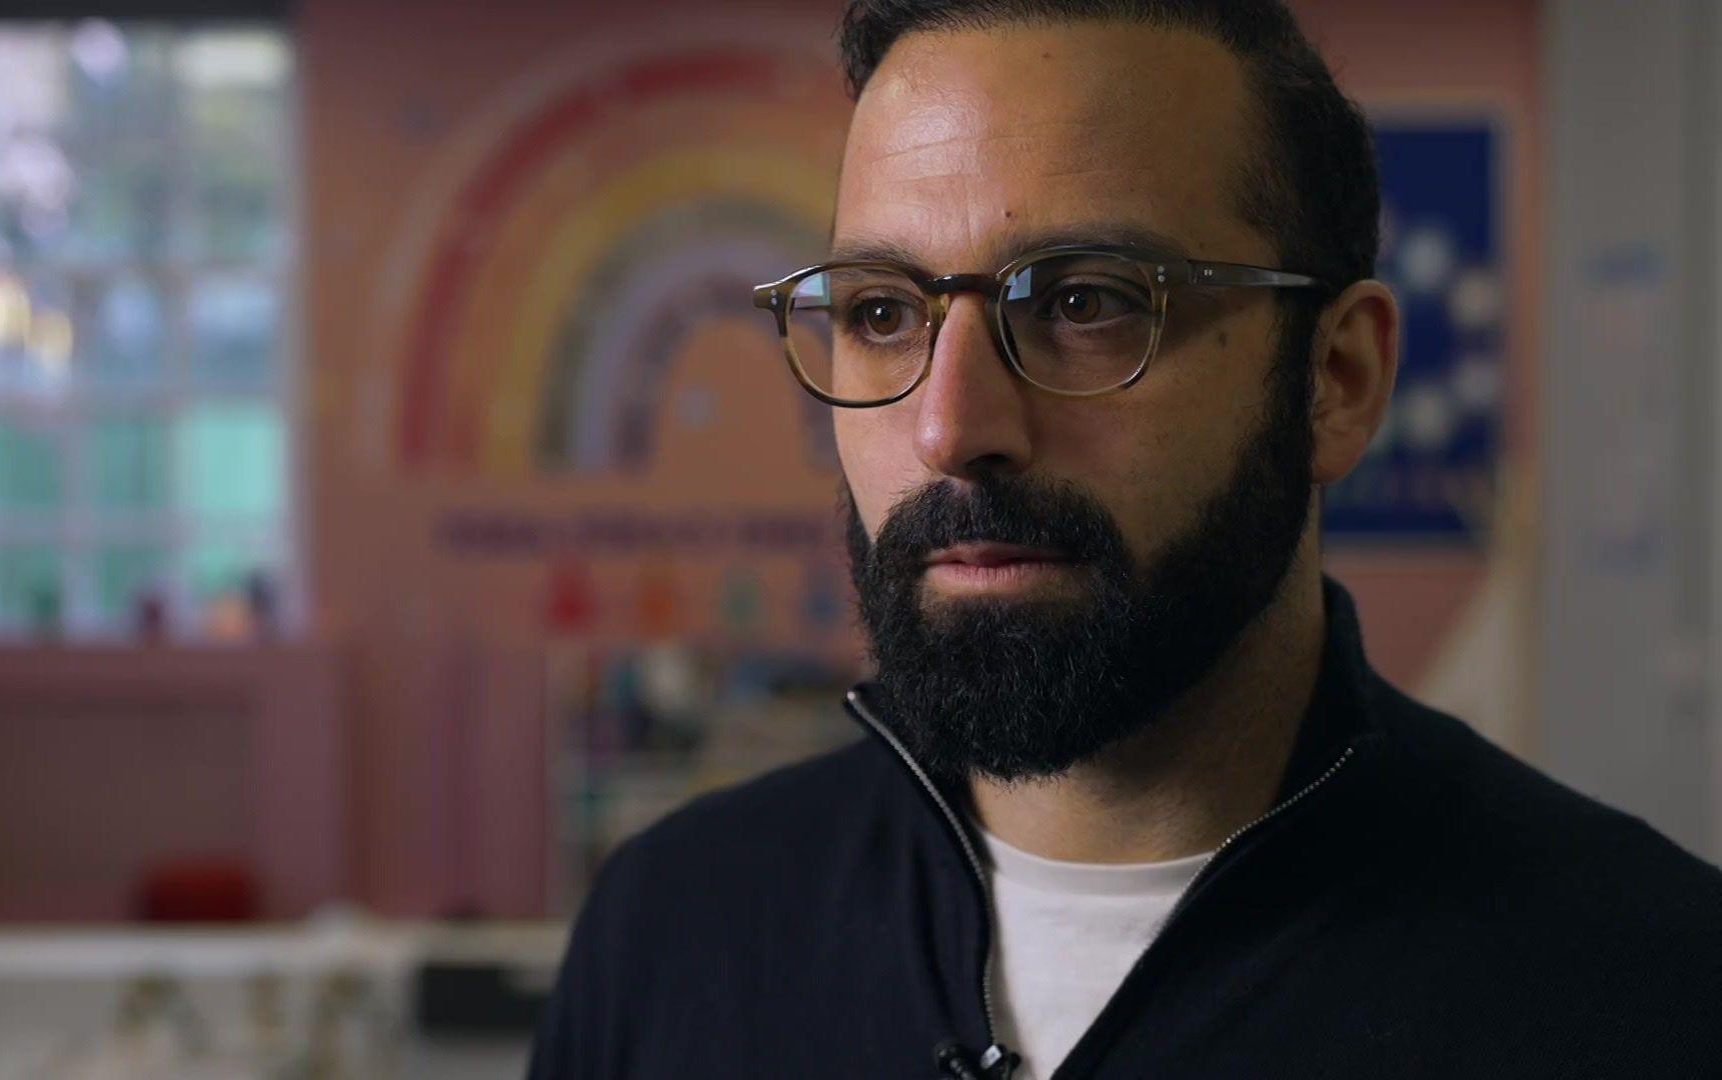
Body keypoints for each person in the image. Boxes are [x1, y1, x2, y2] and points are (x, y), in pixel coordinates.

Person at [528, 1, 1722, 1076]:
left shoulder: (1648, 995)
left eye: (1087, 303)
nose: (950, 428)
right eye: (883, 314)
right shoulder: (677, 933)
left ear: (1337, 380)